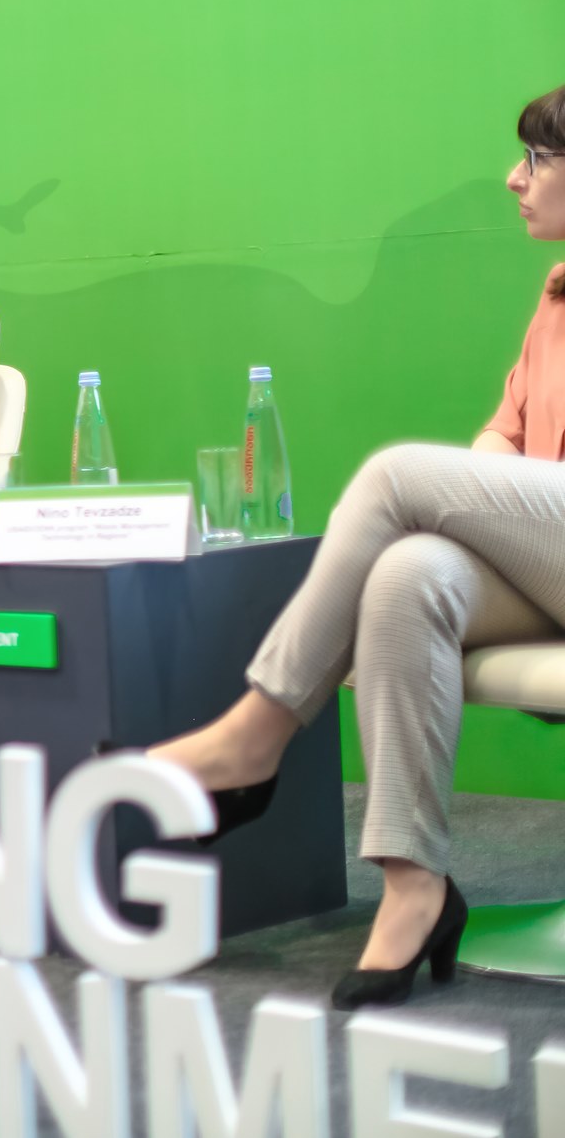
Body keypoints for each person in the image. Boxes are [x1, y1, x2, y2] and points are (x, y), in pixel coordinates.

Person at [149, 84, 565, 1011]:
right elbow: (505, 436)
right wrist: (480, 500)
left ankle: (255, 732)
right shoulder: (557, 293)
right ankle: (416, 885)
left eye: (537, 160)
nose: (515, 178)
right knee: (407, 574)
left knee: (394, 475)